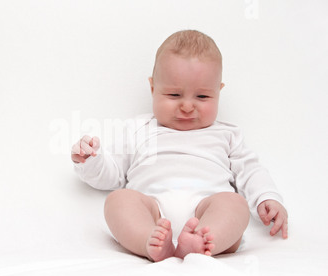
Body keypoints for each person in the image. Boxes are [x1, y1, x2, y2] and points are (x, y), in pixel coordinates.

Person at [71, 30, 288, 262]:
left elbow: (251, 171)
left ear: (218, 92)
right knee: (118, 200)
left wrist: (267, 197)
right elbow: (112, 175)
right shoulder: (139, 128)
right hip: (152, 210)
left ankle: (202, 241)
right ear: (153, 88)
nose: (187, 106)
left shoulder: (227, 134)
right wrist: (92, 160)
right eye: (174, 94)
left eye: (202, 97)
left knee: (235, 204)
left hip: (207, 209)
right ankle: (148, 241)